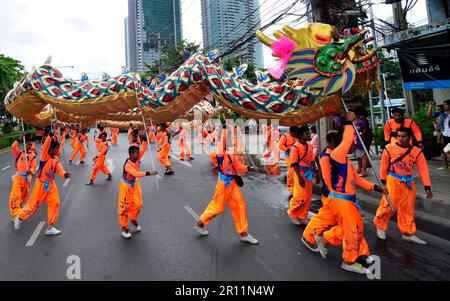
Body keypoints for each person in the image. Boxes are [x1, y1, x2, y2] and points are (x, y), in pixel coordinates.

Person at [303, 113, 388, 274]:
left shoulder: (346, 161)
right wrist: (349, 122)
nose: (351, 145)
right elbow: (348, 140)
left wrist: (375, 188)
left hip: (349, 201)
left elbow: (357, 180)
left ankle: (359, 254)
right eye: (348, 142)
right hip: (341, 201)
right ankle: (349, 261)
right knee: (351, 231)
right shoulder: (336, 156)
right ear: (339, 143)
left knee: (358, 228)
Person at [193, 127, 260, 244]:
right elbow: (220, 149)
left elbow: (236, 165)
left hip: (233, 182)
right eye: (229, 137)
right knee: (218, 208)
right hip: (223, 184)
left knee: (240, 205)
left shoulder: (229, 150)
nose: (232, 139)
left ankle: (243, 233)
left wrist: (249, 168)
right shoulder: (219, 152)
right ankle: (200, 223)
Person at [374, 127, 433, 245]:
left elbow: (423, 169)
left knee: (408, 208)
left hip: (408, 182)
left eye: (403, 136)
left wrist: (427, 186)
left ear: (410, 137)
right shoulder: (389, 148)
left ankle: (407, 233)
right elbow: (384, 165)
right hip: (393, 180)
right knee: (388, 205)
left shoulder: (416, 151)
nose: (400, 138)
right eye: (399, 136)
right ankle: (380, 227)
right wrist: (383, 181)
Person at [15, 133, 71, 235]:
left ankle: (50, 228)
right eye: (56, 148)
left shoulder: (56, 159)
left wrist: (64, 174)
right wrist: (50, 136)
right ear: (50, 149)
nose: (58, 150)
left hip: (50, 185)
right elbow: (45, 146)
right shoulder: (45, 156)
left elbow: (59, 170)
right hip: (40, 184)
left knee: (55, 204)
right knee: (34, 206)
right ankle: (20, 217)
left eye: (58, 148)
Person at [302, 130, 341, 251]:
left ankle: (323, 239)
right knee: (325, 218)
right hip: (332, 194)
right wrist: (332, 193)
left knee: (335, 220)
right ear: (333, 141)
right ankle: (308, 237)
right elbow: (327, 177)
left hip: (340, 193)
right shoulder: (326, 156)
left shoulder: (336, 153)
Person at [118, 139, 158, 239]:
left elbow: (143, 148)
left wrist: (144, 138)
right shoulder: (128, 165)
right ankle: (124, 228)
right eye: (136, 153)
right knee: (124, 208)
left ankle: (132, 219)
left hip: (135, 184)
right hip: (125, 186)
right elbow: (136, 174)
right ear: (131, 154)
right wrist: (149, 173)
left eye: (138, 153)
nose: (138, 154)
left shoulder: (136, 158)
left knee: (138, 204)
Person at [287, 126, 320, 226]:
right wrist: (300, 177)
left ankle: (302, 216)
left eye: (309, 133)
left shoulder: (309, 146)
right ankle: (292, 213)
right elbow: (294, 164)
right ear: (301, 135)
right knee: (300, 196)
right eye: (307, 134)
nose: (309, 135)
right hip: (299, 174)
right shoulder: (295, 147)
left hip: (308, 173)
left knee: (308, 196)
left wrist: (316, 174)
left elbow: (312, 160)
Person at [9, 133, 37, 221]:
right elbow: (13, 147)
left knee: (23, 197)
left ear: (32, 145)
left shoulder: (32, 156)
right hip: (18, 178)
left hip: (27, 179)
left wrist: (31, 171)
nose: (28, 145)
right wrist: (19, 138)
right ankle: (15, 216)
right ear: (24, 144)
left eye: (30, 144)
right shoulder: (18, 153)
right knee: (15, 196)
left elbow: (34, 166)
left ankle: (19, 211)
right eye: (27, 143)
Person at [427, 100, 450, 170]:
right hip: (445, 134)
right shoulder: (441, 113)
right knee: (443, 151)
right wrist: (430, 106)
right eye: (443, 104)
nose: (444, 106)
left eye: (446, 104)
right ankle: (445, 166)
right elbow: (429, 115)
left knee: (447, 151)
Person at [278, 126, 298, 194]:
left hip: (297, 156)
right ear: (291, 132)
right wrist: (287, 149)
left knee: (297, 171)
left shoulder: (297, 136)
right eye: (295, 133)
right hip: (289, 156)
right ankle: (290, 188)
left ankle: (296, 186)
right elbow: (280, 145)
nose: (295, 134)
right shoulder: (284, 136)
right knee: (291, 171)